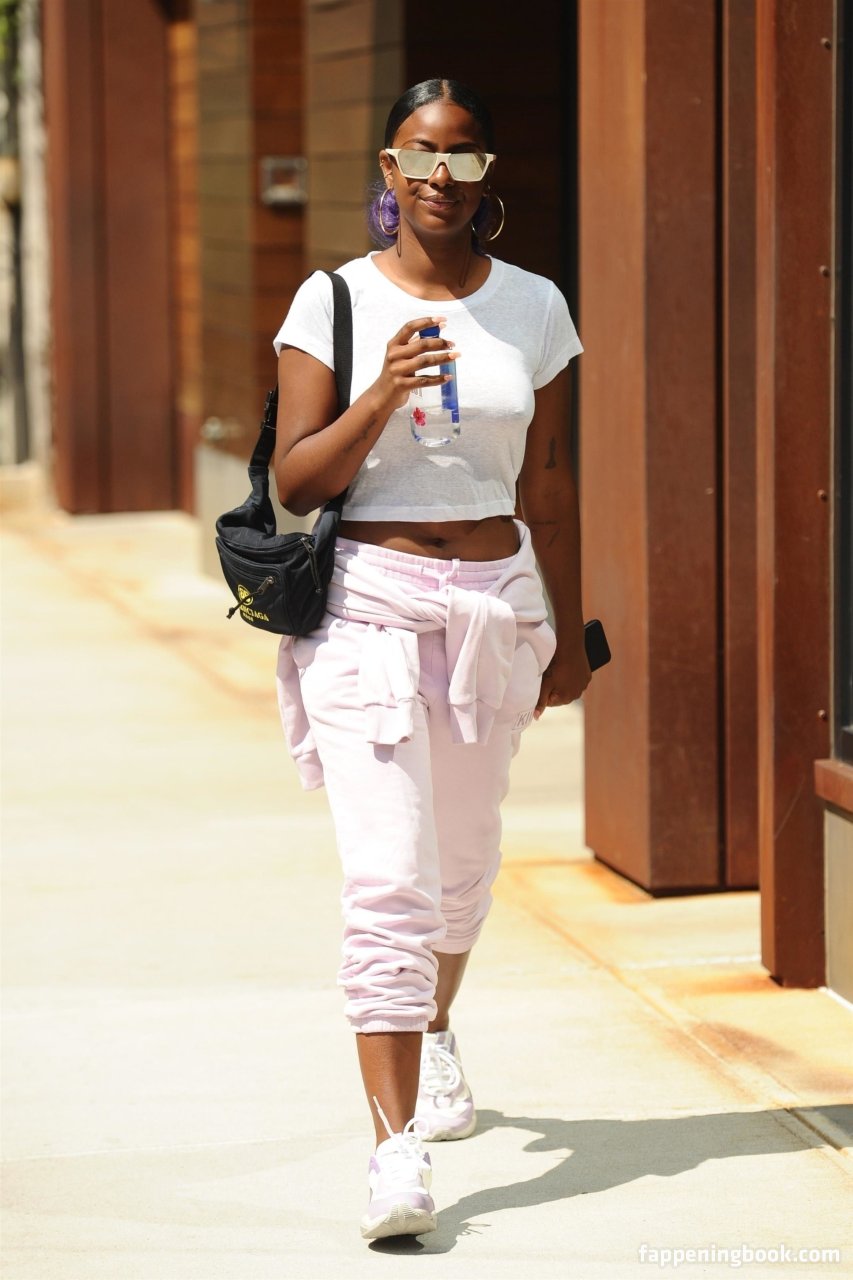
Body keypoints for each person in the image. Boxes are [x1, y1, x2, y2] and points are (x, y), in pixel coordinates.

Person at [272, 78, 589, 1241]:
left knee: (462, 866)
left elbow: (549, 482)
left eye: (462, 155)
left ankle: (437, 1025)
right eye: (420, 154)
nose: (440, 176)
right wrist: (379, 395)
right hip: (369, 605)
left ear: (485, 171)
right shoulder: (334, 301)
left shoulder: (534, 306)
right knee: (388, 880)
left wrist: (571, 629)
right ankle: (392, 1151)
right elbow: (294, 481)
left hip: (495, 605)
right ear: (388, 168)